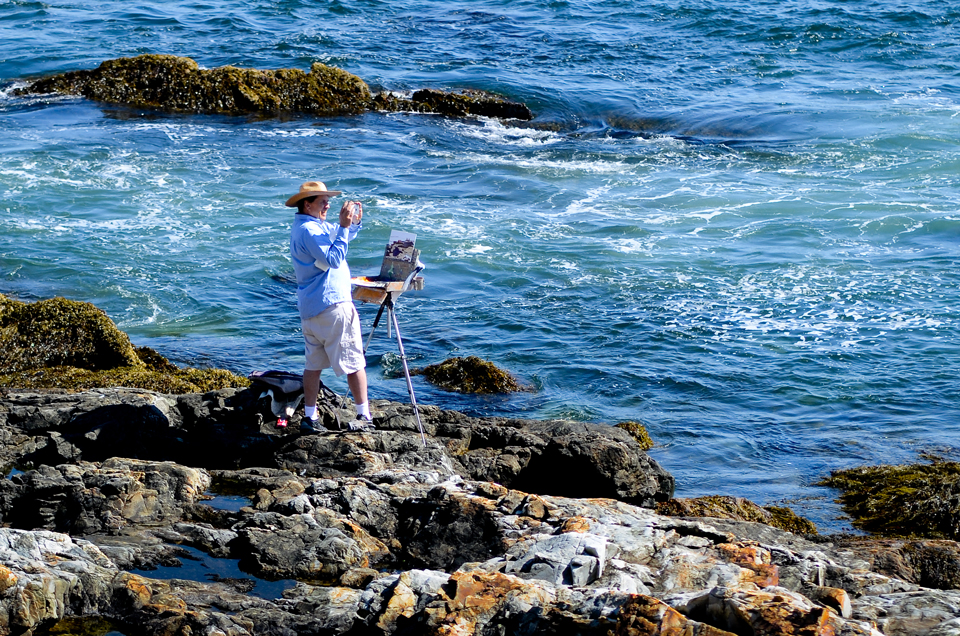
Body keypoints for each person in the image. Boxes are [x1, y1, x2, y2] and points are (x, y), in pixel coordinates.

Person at [286, 180, 372, 431]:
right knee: (354, 362)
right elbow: (334, 257)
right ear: (307, 204)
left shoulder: (308, 227)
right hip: (332, 305)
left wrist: (352, 225)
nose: (328, 205)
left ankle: (310, 417)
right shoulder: (310, 231)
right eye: (323, 201)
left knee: (313, 365)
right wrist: (344, 227)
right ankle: (364, 416)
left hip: (311, 309)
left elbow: (338, 237)